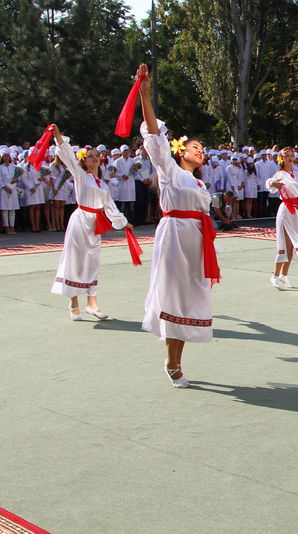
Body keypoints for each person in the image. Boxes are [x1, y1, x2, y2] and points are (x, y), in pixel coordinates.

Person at [138, 63, 220, 388]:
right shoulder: (170, 171)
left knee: (189, 299)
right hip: (174, 238)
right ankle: (173, 364)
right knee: (173, 298)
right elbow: (155, 136)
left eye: (203, 149)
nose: (201, 151)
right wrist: (145, 94)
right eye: (195, 147)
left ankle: (175, 361)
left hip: (196, 241)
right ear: (180, 151)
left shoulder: (199, 185)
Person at [50, 125, 133, 321]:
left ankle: (92, 304)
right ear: (84, 161)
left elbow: (110, 206)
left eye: (97, 155)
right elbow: (68, 156)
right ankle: (73, 301)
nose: (95, 158)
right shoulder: (81, 176)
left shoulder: (101, 184)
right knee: (76, 260)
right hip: (80, 221)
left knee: (93, 261)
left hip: (94, 223)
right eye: (90, 156)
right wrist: (58, 136)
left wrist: (124, 222)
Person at [267, 147, 298, 289]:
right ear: (282, 159)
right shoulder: (280, 173)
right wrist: (273, 183)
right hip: (285, 210)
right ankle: (275, 275)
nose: (290, 158)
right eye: (287, 156)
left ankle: (284, 275)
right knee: (284, 243)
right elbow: (270, 182)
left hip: (295, 211)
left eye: (292, 156)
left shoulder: (295, 174)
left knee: (292, 246)